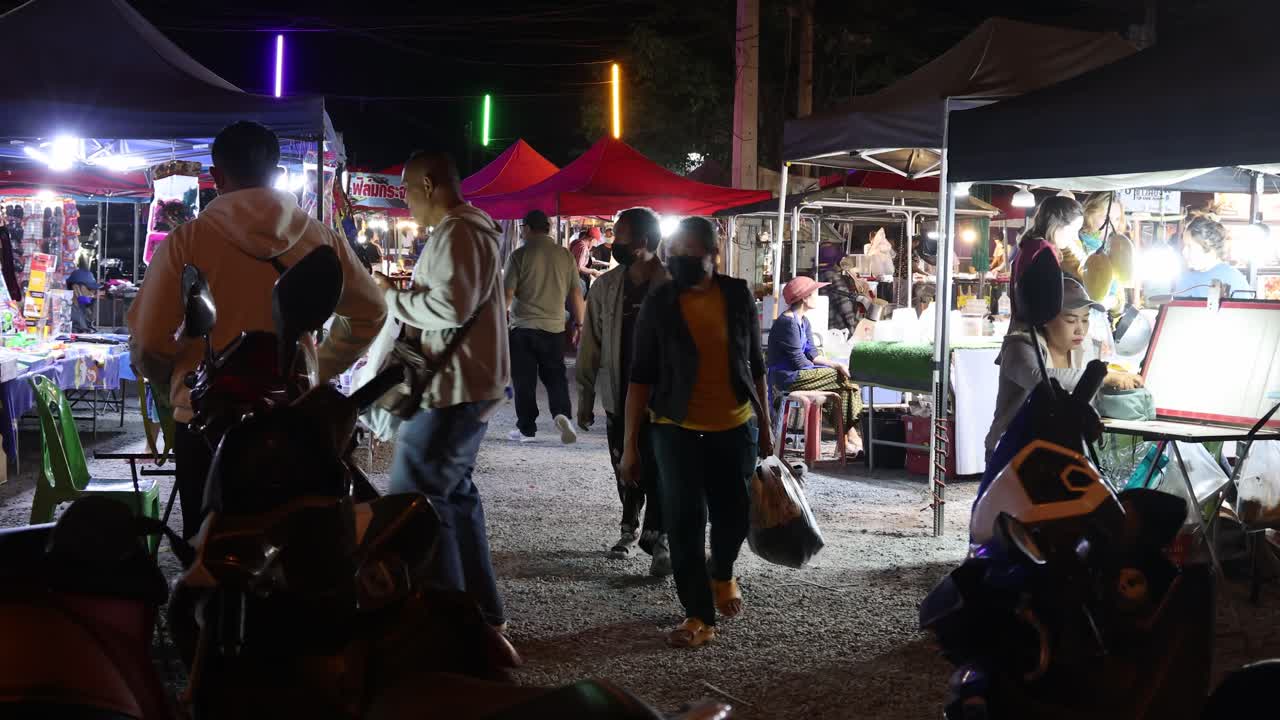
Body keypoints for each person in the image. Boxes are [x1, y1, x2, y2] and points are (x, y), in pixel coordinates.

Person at [128, 121, 386, 538]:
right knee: (291, 543)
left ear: (217, 176)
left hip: (207, 420)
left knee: (209, 546)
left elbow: (148, 341)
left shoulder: (187, 241)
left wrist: (174, 382)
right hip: (292, 418)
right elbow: (371, 313)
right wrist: (318, 365)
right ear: (277, 173)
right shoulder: (318, 238)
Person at [372, 148, 510, 630]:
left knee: (419, 506)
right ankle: (483, 615)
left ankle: (452, 626)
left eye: (408, 191)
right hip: (467, 384)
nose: (407, 202)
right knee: (454, 496)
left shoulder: (458, 231)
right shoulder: (472, 230)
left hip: (453, 388)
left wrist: (390, 296)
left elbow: (449, 309)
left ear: (429, 185)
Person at [622, 217, 772, 648]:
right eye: (677, 253)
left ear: (714, 254)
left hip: (734, 424)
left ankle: (722, 570)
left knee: (734, 517)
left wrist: (765, 425)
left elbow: (755, 365)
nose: (683, 260)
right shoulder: (660, 302)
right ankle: (697, 615)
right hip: (675, 428)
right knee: (685, 523)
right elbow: (640, 377)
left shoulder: (737, 294)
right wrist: (631, 444)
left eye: (693, 253)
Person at [577, 207, 671, 575]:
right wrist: (586, 398)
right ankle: (629, 527)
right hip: (618, 395)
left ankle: (658, 537)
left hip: (663, 402)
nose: (614, 242)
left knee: (662, 470)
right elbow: (591, 344)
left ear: (643, 242)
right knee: (624, 466)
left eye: (620, 236)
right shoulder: (605, 286)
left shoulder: (673, 286)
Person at [984, 277, 1142, 460]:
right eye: (1071, 320)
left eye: (1085, 320)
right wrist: (1105, 378)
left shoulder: (1085, 347)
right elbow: (1040, 380)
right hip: (1014, 452)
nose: (1080, 330)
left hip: (1062, 451)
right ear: (1046, 319)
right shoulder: (1020, 346)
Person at [504, 209, 583, 444]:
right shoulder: (564, 255)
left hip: (523, 328)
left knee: (524, 380)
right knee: (555, 376)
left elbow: (507, 294)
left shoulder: (519, 255)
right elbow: (576, 292)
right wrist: (580, 323)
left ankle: (527, 429)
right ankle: (562, 414)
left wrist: (497, 320)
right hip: (554, 328)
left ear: (527, 228)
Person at [768, 276, 865, 455]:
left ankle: (844, 441)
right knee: (844, 379)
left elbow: (812, 353)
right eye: (814, 293)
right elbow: (799, 361)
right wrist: (831, 370)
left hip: (801, 373)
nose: (817, 296)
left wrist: (835, 364)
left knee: (845, 388)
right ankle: (851, 438)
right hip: (788, 376)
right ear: (804, 297)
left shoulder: (804, 321)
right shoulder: (787, 323)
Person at [1177, 216, 1249, 298]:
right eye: (1184, 246)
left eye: (1189, 246)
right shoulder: (1184, 278)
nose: (1183, 252)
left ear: (1208, 246)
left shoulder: (1234, 279)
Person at [570, 227, 605, 294]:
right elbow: (579, 267)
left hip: (572, 279)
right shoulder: (583, 247)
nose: (595, 244)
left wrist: (604, 263)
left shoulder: (576, 242)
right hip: (578, 281)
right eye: (595, 241)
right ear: (592, 239)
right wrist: (593, 271)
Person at [66, 268, 98, 334]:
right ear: (76, 288)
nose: (92, 293)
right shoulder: (66, 310)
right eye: (89, 289)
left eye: (94, 290)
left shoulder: (82, 307)